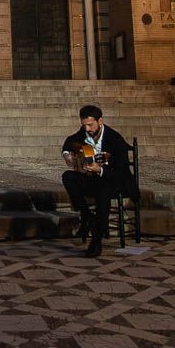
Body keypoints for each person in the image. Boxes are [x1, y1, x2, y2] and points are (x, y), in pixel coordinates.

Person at [60, 104, 139, 257]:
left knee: (103, 192)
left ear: (100, 121)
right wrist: (66, 155)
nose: (87, 129)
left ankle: (96, 240)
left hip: (115, 181)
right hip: (93, 178)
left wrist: (100, 170)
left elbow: (121, 171)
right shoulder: (83, 132)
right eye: (85, 125)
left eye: (90, 125)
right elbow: (70, 140)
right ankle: (87, 216)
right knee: (68, 177)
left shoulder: (115, 139)